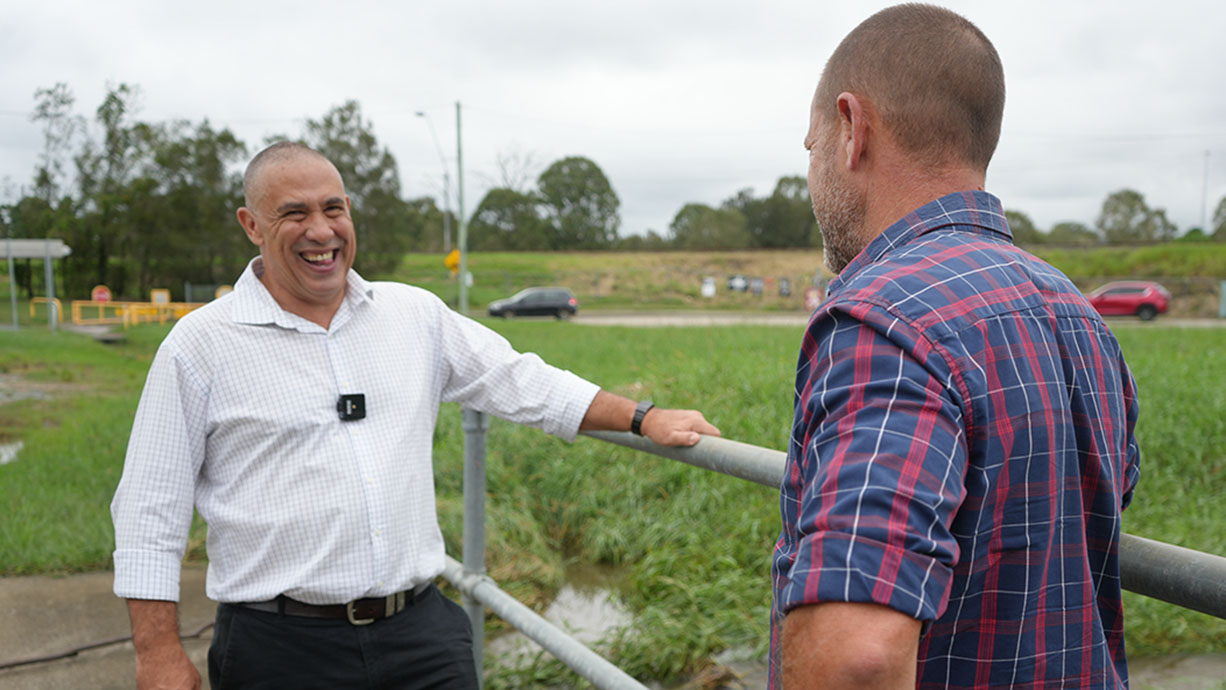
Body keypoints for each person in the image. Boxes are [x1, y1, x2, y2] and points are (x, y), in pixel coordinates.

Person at [111, 141, 720, 690]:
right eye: (293, 213)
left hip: (420, 637)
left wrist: (642, 417)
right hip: (280, 649)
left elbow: (523, 381)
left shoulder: (413, 316)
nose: (320, 231)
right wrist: (158, 651)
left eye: (334, 208)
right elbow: (149, 508)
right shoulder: (201, 345)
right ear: (251, 225)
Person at [771, 5, 1140, 689]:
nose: (814, 170)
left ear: (852, 129)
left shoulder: (882, 317)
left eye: (812, 145)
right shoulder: (1078, 313)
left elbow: (857, 657)